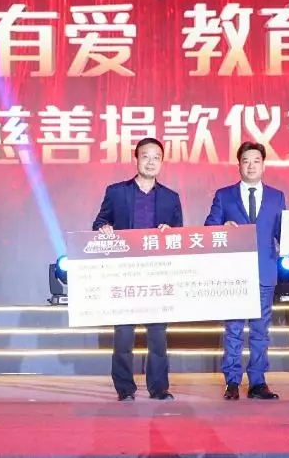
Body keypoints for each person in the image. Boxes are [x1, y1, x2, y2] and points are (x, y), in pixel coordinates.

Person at [92, 137, 183, 401]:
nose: (151, 162)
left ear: (162, 162)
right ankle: (125, 389)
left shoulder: (171, 198)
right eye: (146, 156)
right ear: (136, 159)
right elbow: (99, 222)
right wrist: (103, 228)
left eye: (156, 157)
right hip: (125, 274)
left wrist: (171, 232)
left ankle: (159, 388)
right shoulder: (116, 192)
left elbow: (180, 235)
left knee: (158, 337)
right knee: (123, 336)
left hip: (157, 274)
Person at [204, 141, 286, 400]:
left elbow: (283, 232)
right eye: (246, 161)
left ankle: (258, 382)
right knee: (234, 329)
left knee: (261, 331)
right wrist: (223, 229)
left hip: (264, 270)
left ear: (263, 165)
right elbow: (209, 228)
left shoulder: (276, 196)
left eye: (256, 161)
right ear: (239, 165)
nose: (251, 166)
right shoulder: (224, 195)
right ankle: (232, 380)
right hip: (235, 273)